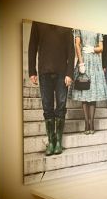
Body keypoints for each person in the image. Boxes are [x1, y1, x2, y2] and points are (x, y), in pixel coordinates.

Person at [28, 21, 74, 157]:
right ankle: (51, 141)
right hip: (44, 72)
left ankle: (58, 142)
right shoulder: (37, 22)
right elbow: (32, 46)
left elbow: (71, 50)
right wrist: (32, 71)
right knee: (47, 108)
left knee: (61, 106)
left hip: (62, 73)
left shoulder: (66, 23)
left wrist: (70, 73)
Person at [71, 29, 107, 134]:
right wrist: (81, 62)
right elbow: (77, 44)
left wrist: (93, 49)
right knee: (84, 90)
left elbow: (101, 48)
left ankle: (92, 123)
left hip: (95, 61)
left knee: (93, 93)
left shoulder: (98, 28)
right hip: (85, 60)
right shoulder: (79, 28)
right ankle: (86, 122)